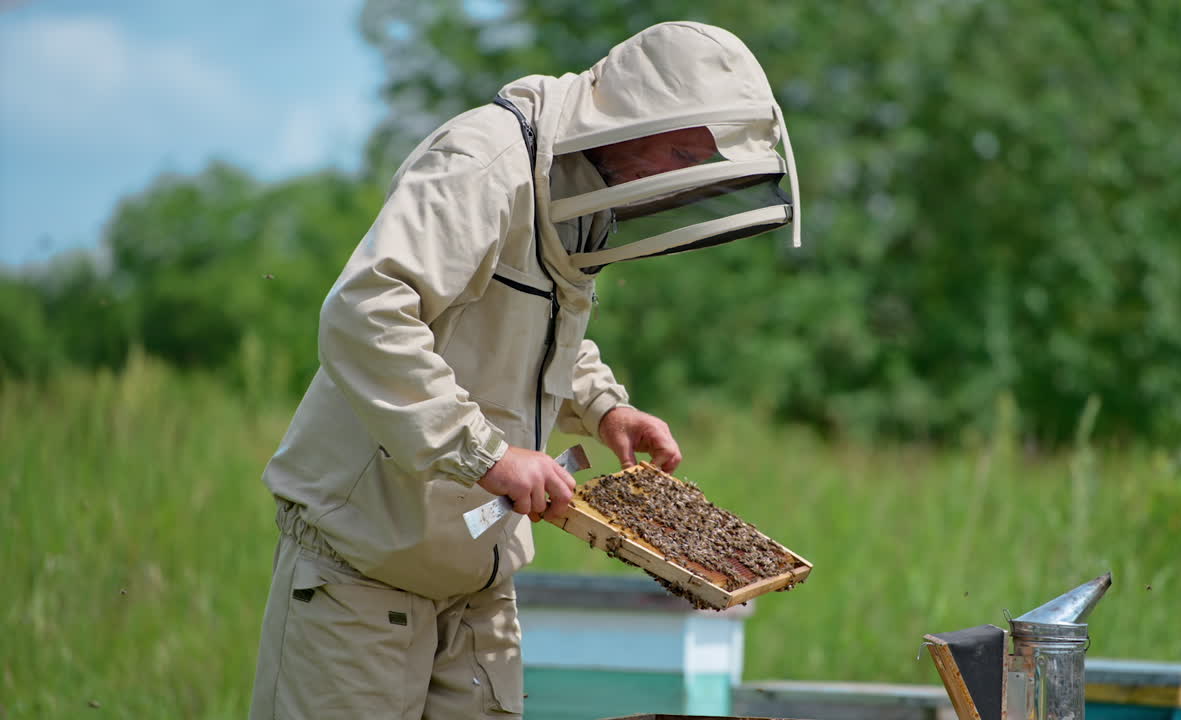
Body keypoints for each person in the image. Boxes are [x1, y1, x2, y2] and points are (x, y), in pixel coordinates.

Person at [249, 20, 801, 719]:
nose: (688, 173)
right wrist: (485, 455)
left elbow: (537, 334)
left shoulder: (578, 188)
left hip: (479, 585)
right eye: (685, 149)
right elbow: (365, 314)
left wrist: (604, 408)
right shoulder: (481, 163)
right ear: (638, 114)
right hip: (361, 574)